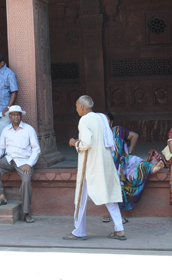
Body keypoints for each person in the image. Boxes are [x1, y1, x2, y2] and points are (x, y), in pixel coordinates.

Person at [63, 96, 125, 240]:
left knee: (80, 198)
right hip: (105, 162)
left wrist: (74, 143)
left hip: (89, 164)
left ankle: (79, 231)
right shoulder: (102, 118)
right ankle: (119, 229)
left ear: (82, 107)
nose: (76, 109)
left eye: (77, 106)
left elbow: (86, 144)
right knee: (109, 196)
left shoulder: (84, 120)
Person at [106, 112, 162, 222]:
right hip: (107, 165)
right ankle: (115, 215)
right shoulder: (99, 134)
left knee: (136, 162)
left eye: (107, 120)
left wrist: (129, 152)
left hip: (121, 161)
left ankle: (152, 168)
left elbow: (134, 136)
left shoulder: (117, 130)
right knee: (113, 184)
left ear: (112, 122)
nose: (105, 122)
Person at [0, 105, 39, 223]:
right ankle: (0, 196)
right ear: (10, 116)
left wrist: (29, 164)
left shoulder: (28, 129)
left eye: (18, 114)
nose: (16, 116)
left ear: (21, 116)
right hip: (9, 159)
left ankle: (26, 212)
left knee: (26, 180)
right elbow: (1, 147)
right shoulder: (6, 130)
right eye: (14, 114)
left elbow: (36, 149)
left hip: (24, 161)